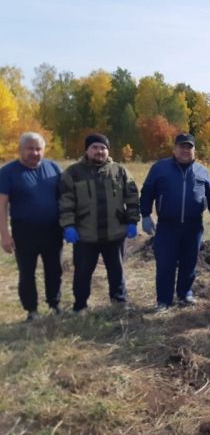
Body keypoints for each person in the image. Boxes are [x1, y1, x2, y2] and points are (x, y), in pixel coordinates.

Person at [59, 133, 140, 313]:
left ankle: (119, 302)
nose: (99, 151)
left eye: (103, 148)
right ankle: (80, 305)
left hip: (115, 233)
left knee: (116, 270)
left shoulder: (120, 171)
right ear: (87, 150)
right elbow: (65, 202)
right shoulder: (73, 173)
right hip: (85, 234)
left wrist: (133, 221)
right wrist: (69, 226)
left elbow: (132, 197)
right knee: (82, 272)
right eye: (95, 147)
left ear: (108, 151)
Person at [140, 133, 210, 311]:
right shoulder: (160, 168)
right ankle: (163, 300)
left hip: (193, 227)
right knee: (165, 263)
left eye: (189, 147)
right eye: (182, 146)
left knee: (189, 262)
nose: (185, 150)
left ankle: (185, 294)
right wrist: (145, 215)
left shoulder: (201, 171)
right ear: (174, 149)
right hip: (167, 225)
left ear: (194, 150)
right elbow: (147, 192)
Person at [0, 132, 63, 321]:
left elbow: (65, 198)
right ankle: (32, 310)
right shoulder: (8, 172)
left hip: (53, 229)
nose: (34, 153)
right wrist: (5, 234)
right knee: (27, 271)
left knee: (54, 269)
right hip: (24, 230)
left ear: (43, 150)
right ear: (21, 150)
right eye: (30, 148)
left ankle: (55, 304)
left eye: (38, 149)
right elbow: (1, 205)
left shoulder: (54, 168)